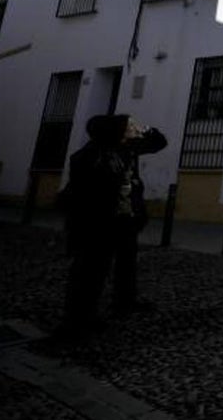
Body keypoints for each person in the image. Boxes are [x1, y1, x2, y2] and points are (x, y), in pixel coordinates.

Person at [60, 114, 167, 336]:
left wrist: (143, 127)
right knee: (90, 271)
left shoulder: (127, 149)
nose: (131, 128)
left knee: (126, 263)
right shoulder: (86, 157)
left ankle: (124, 300)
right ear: (112, 132)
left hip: (126, 220)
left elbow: (159, 142)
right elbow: (83, 196)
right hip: (99, 223)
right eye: (127, 126)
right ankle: (78, 319)